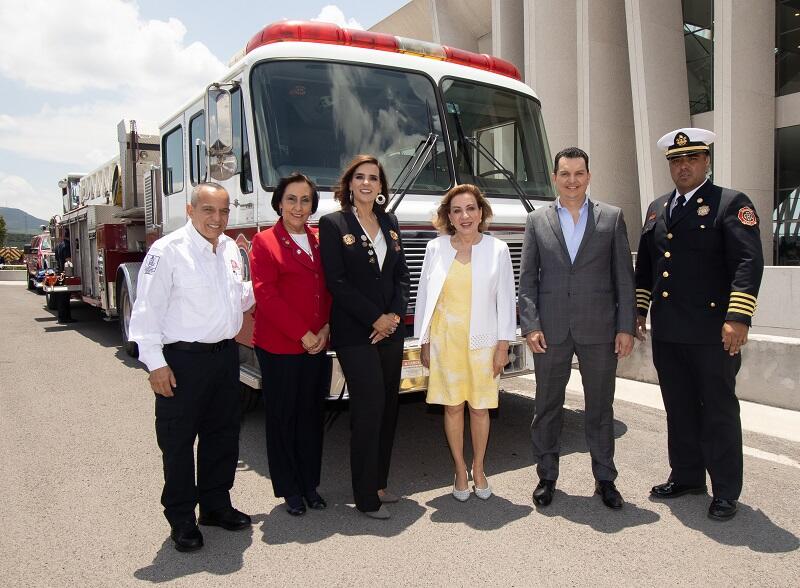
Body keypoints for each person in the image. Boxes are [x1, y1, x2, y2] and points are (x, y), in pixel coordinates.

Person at [635, 128, 764, 521]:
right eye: (676, 160)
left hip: (713, 332)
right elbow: (647, 267)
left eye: (691, 158)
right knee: (679, 406)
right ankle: (688, 475)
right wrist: (639, 311)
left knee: (718, 409)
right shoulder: (658, 208)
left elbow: (748, 262)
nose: (683, 166)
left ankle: (725, 489)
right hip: (669, 331)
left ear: (706, 161)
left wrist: (738, 317)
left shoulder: (729, 203)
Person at [128, 182, 255, 552]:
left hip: (224, 357)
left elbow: (240, 295)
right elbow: (147, 311)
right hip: (181, 360)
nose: (217, 219)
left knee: (223, 436)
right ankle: (182, 518)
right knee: (178, 442)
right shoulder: (167, 251)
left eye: (224, 211)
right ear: (190, 210)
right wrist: (155, 364)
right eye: (208, 210)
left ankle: (215, 506)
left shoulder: (230, 249)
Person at [519, 146, 636, 510]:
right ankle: (547, 476)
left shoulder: (612, 218)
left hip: (600, 330)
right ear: (555, 177)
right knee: (547, 406)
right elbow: (527, 280)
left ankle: (605, 479)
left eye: (579, 173)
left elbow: (624, 279)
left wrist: (625, 326)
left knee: (600, 409)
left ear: (589, 176)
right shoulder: (537, 220)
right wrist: (531, 324)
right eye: (565, 174)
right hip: (550, 331)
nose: (572, 180)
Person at [318, 155, 410, 519]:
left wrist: (391, 318)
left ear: (381, 186)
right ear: (349, 183)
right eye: (360, 177)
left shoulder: (389, 222)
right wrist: (374, 317)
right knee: (369, 407)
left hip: (389, 331)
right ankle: (364, 496)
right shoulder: (332, 223)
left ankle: (379, 484)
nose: (367, 183)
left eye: (374, 177)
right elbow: (336, 282)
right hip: (356, 333)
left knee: (388, 408)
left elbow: (401, 275)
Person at [414, 184, 515, 502]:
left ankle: (480, 468)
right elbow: (424, 298)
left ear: (481, 212)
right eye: (456, 210)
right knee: (453, 407)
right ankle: (459, 470)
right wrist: (425, 339)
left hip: (483, 343)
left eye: (470, 208)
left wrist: (503, 346)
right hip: (446, 342)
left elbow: (506, 302)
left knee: (481, 409)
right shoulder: (436, 248)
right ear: (449, 216)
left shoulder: (498, 249)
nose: (464, 215)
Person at [249, 173, 332, 517]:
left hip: (318, 343)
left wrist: (326, 327)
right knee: (283, 418)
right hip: (280, 347)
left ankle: (310, 484)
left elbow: (330, 288)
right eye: (292, 199)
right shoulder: (264, 242)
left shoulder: (319, 240)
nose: (299, 207)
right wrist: (303, 333)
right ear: (279, 203)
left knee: (312, 417)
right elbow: (266, 295)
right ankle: (289, 489)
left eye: (306, 200)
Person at [54, 229, 74, 323]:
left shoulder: (58, 245)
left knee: (61, 297)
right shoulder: (66, 246)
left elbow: (57, 259)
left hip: (59, 272)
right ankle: (65, 318)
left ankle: (62, 316)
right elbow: (68, 260)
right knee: (65, 297)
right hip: (65, 273)